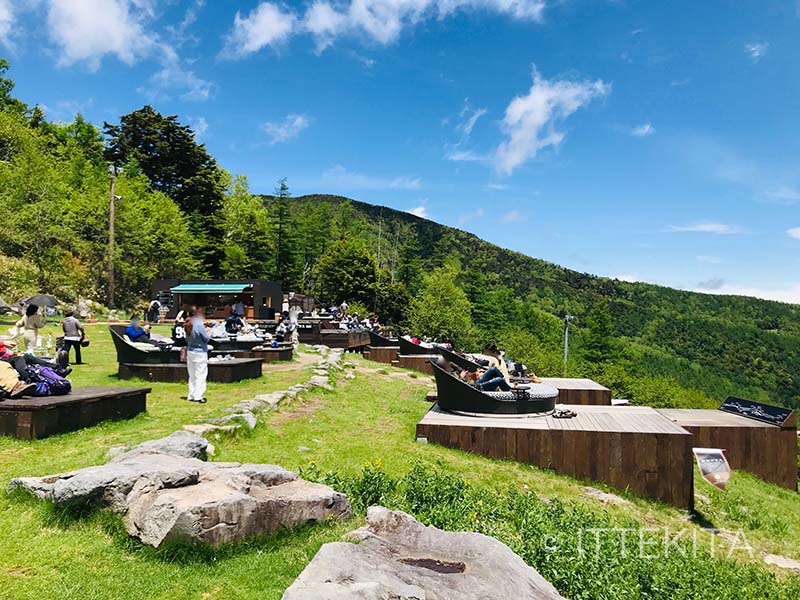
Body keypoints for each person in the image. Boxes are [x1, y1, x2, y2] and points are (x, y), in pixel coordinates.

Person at [184, 309, 210, 404]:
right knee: (201, 374)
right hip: (200, 352)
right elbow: (206, 338)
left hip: (190, 351)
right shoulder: (199, 324)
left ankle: (191, 394)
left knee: (192, 375)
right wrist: (209, 332)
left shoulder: (187, 324)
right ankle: (198, 396)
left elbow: (186, 339)